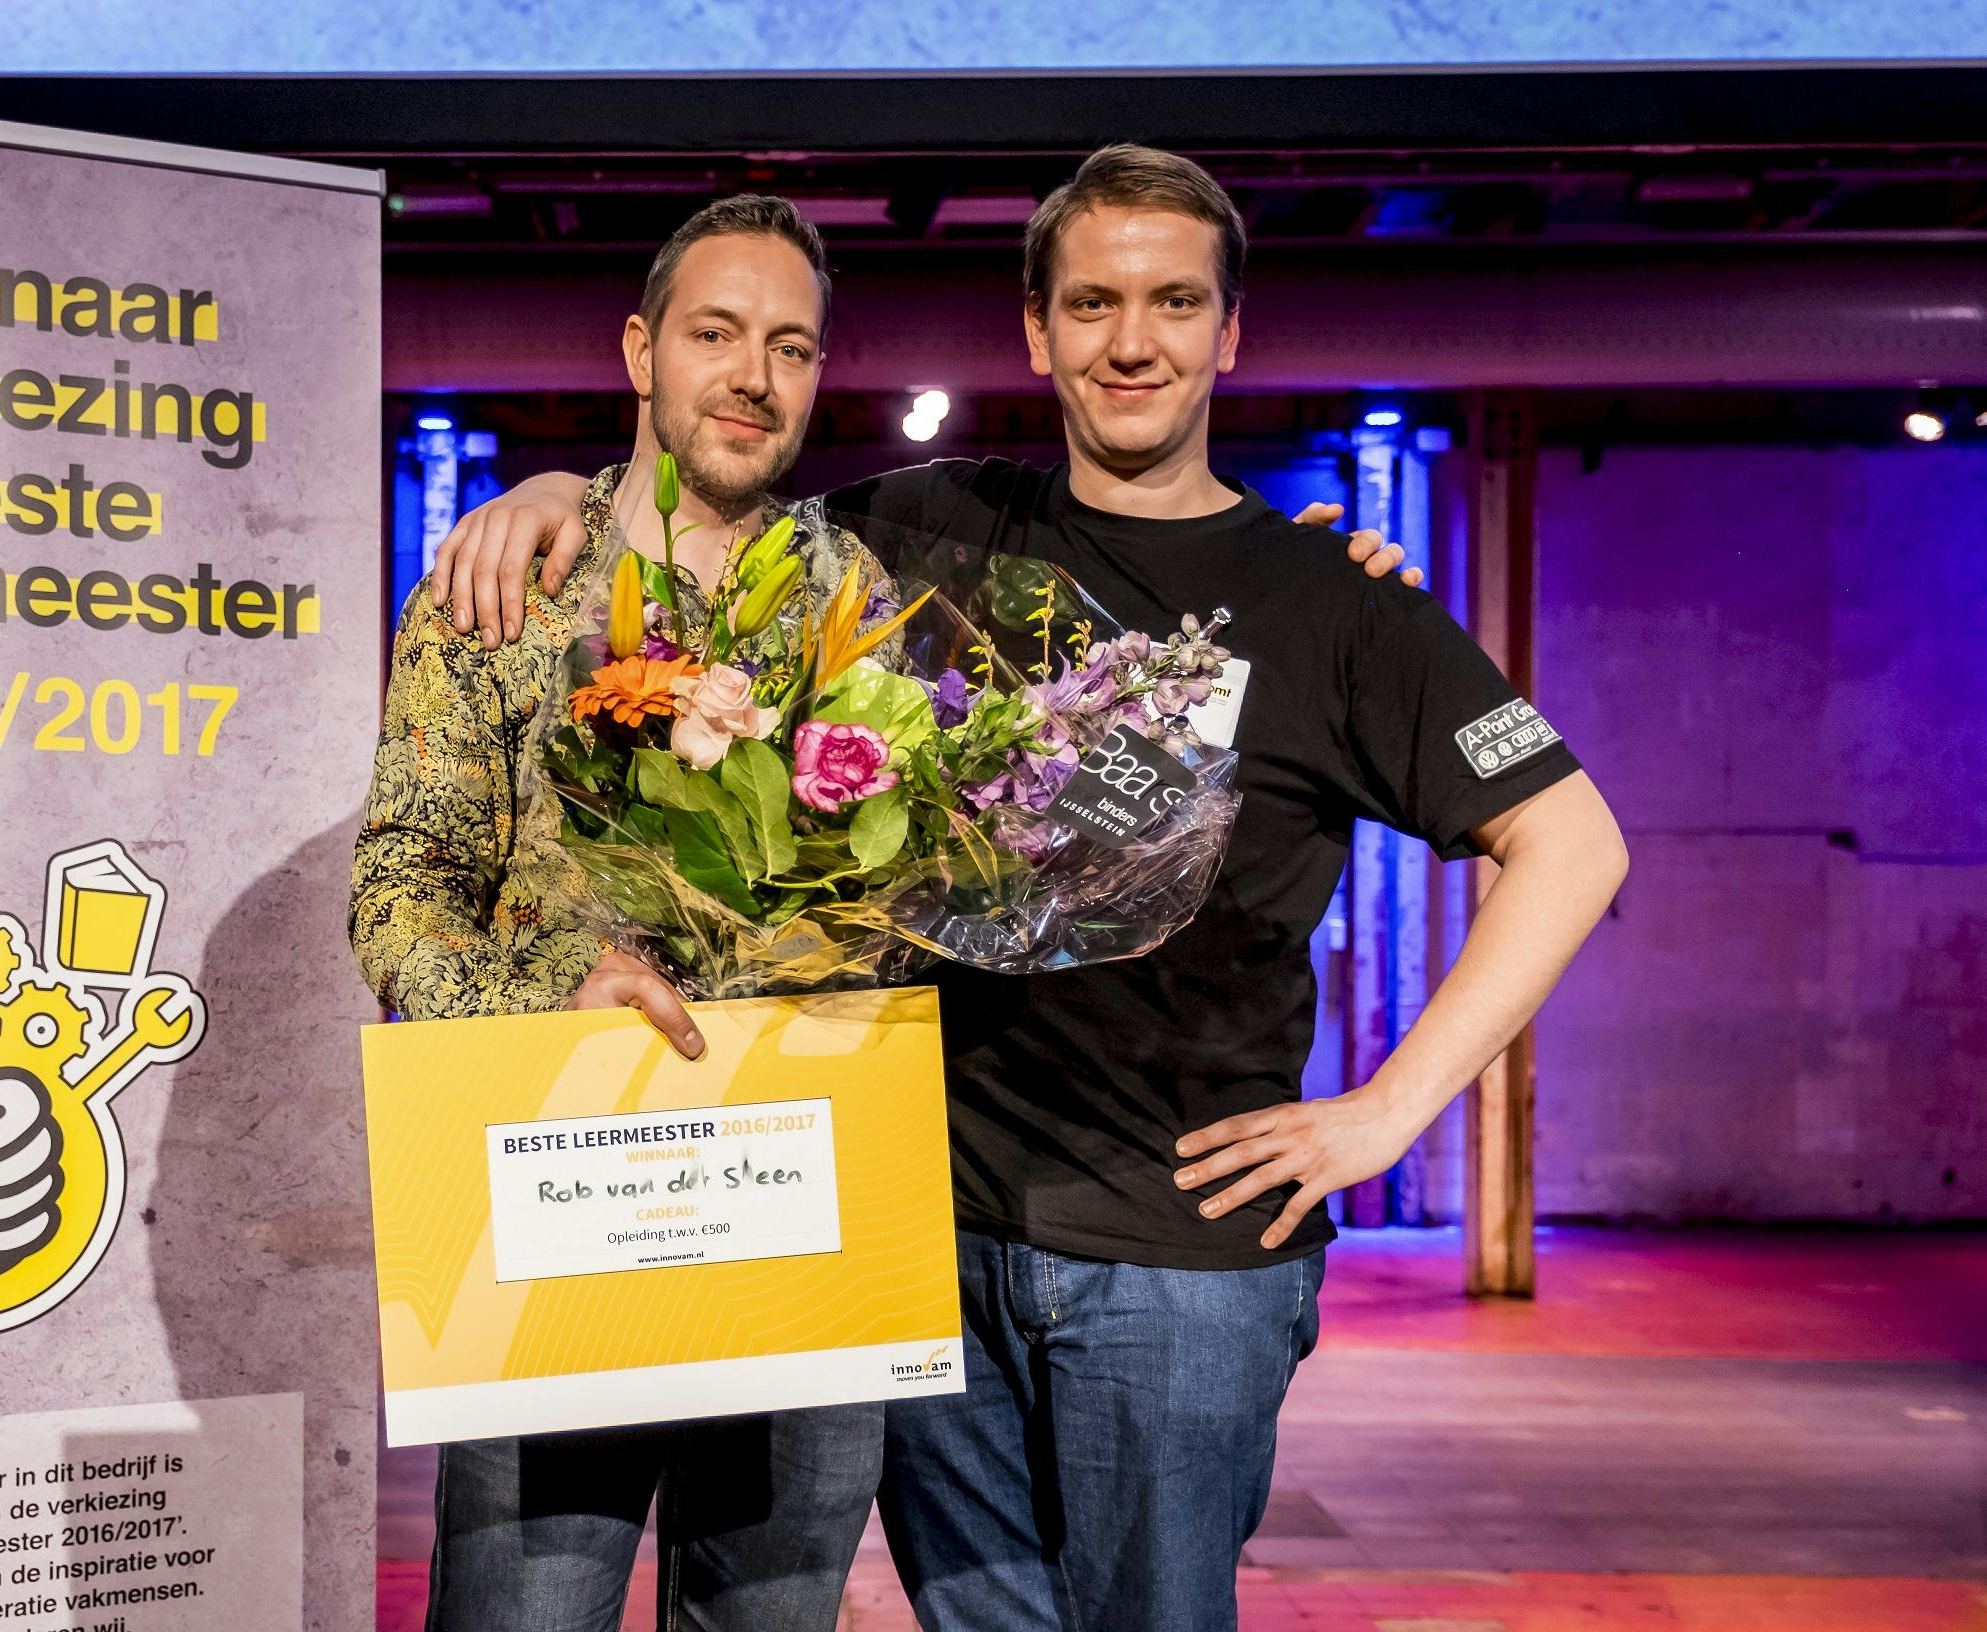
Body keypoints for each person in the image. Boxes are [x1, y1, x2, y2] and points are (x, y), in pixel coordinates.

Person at [426, 145, 1629, 1632]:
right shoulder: (928, 533)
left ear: (1231, 331)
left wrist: (1390, 1112)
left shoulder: (1344, 605)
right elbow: (711, 508)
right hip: (930, 1238)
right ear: (1037, 330)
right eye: (1094, 302)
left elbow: (1574, 845)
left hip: (1179, 1268)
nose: (1134, 341)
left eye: (1176, 302)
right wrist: (552, 489)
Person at [349, 195, 898, 1632]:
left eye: (790, 346)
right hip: (561, 1214)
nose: (752, 376)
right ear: (641, 349)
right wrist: (553, 984)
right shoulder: (505, 585)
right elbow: (397, 896)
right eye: (715, 334)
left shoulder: (859, 598)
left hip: (800, 1217)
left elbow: (912, 891)